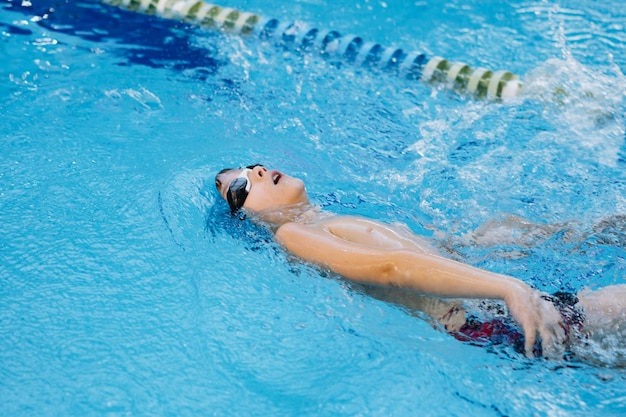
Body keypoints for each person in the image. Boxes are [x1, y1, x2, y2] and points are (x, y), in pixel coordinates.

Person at [214, 164, 626, 361]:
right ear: (245, 213)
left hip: (501, 312)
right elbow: (391, 268)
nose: (258, 170)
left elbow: (424, 254)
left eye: (254, 165)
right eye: (242, 184)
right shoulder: (292, 234)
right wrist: (509, 287)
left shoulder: (323, 221)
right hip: (502, 320)